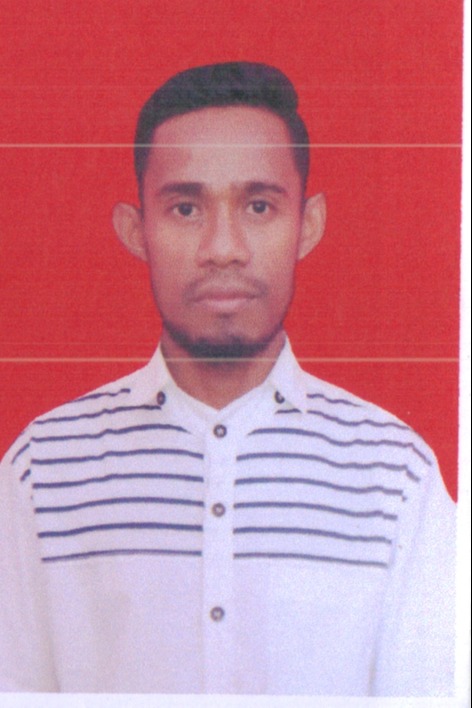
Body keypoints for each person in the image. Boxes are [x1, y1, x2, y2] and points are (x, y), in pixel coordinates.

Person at [0, 62, 455, 695]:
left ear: (308, 224)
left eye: (259, 206)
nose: (223, 247)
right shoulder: (44, 470)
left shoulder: (395, 477)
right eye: (185, 208)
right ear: (135, 230)